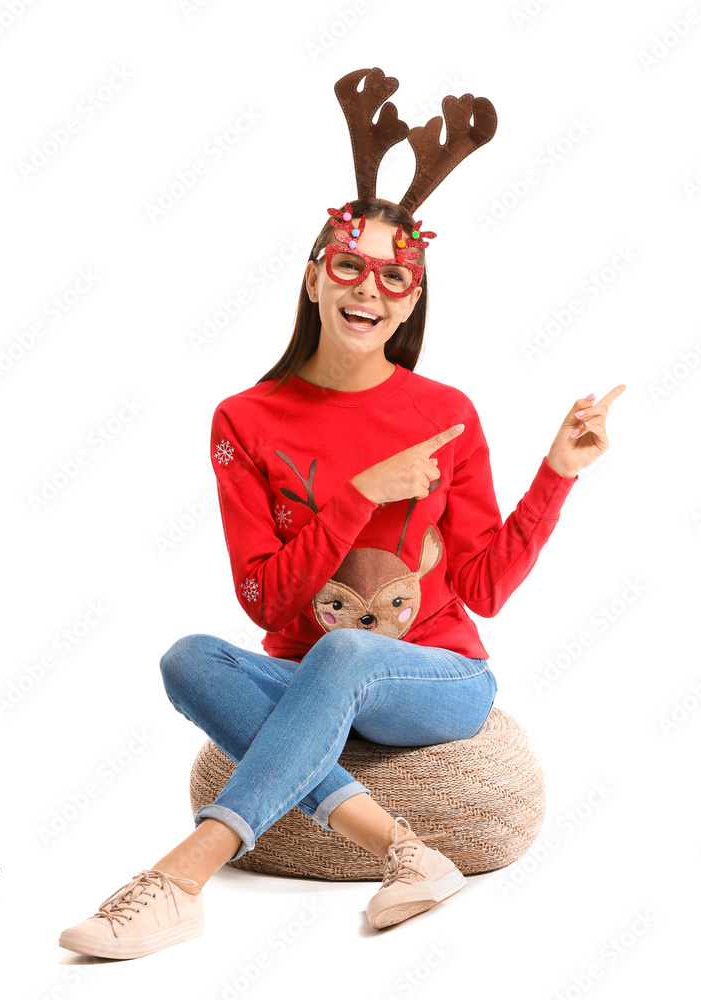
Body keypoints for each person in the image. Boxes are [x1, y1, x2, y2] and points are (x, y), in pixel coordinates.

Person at [58, 69, 626, 960]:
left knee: (351, 649)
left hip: (434, 679)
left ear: (412, 293)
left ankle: (179, 881)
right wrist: (363, 492)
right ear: (317, 278)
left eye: (396, 275)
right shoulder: (245, 420)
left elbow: (483, 584)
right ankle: (406, 852)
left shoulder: (445, 410)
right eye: (350, 265)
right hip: (312, 667)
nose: (372, 288)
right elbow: (264, 604)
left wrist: (555, 474)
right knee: (189, 659)